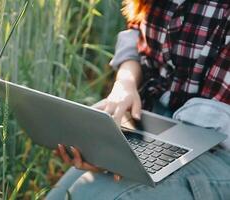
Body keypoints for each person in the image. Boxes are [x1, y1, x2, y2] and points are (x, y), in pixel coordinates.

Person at [46, 0, 230, 199]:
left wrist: (118, 154)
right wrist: (125, 84)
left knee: (94, 193)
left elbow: (205, 127)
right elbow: (137, 30)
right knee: (62, 195)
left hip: (217, 150)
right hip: (158, 128)